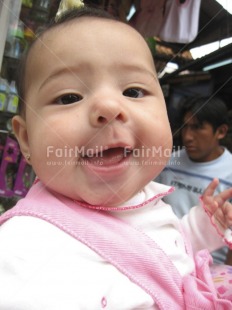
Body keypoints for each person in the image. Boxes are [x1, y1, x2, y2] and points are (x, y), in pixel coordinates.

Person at [0, 5, 232, 309]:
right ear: (27, 138)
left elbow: (158, 255)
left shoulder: (144, 196)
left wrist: (201, 227)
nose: (109, 107)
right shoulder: (23, 249)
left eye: (133, 92)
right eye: (69, 97)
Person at [156, 96, 232, 265]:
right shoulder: (168, 163)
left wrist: (225, 279)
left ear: (221, 131)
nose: (188, 137)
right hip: (166, 256)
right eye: (185, 127)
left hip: (211, 268)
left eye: (197, 128)